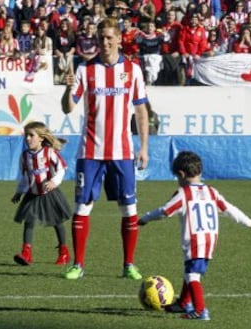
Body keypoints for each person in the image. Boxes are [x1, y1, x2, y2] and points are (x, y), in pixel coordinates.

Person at [61, 17, 150, 280]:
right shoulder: (84, 70)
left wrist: (144, 146)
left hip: (122, 152)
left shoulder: (133, 70)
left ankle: (128, 264)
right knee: (82, 206)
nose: (105, 42)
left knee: (129, 208)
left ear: (120, 39)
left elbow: (141, 110)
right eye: (101, 38)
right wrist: (67, 91)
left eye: (110, 37)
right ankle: (78, 264)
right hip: (90, 152)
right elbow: (68, 107)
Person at [138, 151, 251, 320]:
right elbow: (229, 209)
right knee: (190, 271)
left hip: (195, 239)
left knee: (192, 275)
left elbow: (165, 211)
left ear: (181, 174)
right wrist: (249, 222)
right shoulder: (211, 191)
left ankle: (200, 311)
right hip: (210, 240)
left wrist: (144, 219)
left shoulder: (183, 194)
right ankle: (183, 303)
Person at [11, 121, 72, 266]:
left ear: (41, 138)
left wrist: (53, 182)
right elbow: (26, 177)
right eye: (26, 135)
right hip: (32, 194)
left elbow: (62, 169)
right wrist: (19, 192)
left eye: (31, 135)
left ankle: (64, 252)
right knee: (29, 222)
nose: (27, 139)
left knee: (56, 221)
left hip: (49, 194)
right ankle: (26, 253)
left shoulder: (49, 152)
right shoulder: (25, 156)